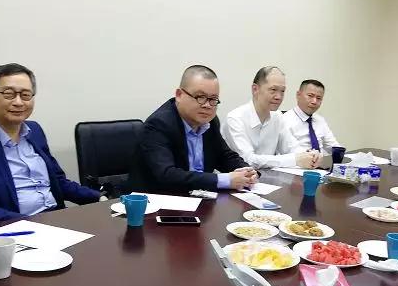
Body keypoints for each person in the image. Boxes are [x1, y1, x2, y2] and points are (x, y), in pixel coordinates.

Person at [0, 63, 103, 224]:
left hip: (56, 220)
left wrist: (100, 198)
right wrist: (32, 223)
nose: (18, 102)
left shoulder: (35, 130)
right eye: (9, 94)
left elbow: (59, 182)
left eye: (25, 95)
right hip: (13, 228)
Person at [127, 65, 257, 194]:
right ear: (179, 95)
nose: (207, 105)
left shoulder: (209, 121)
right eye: (200, 97)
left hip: (199, 198)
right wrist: (224, 180)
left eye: (213, 99)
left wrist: (246, 171)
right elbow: (167, 174)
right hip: (159, 200)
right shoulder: (158, 124)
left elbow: (224, 156)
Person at [223, 67, 320, 170]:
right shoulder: (235, 119)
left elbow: (292, 147)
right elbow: (247, 160)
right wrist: (295, 159)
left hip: (268, 177)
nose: (279, 97)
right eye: (273, 90)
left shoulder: (277, 116)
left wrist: (310, 156)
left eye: (282, 91)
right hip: (237, 178)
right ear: (255, 89)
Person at [281, 79, 341, 156]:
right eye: (310, 96)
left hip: (321, 161)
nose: (314, 102)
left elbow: (333, 145)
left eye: (318, 98)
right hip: (298, 162)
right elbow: (290, 151)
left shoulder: (320, 120)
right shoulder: (285, 120)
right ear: (298, 95)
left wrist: (343, 154)